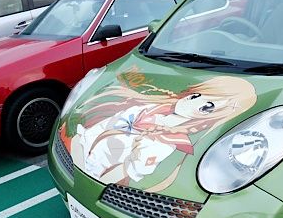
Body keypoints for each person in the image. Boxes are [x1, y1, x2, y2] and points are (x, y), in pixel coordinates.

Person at [63, 75, 257, 191]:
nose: (192, 102)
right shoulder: (148, 109)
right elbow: (94, 131)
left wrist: (86, 179)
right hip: (82, 154)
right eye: (196, 95)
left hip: (93, 175)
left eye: (207, 106)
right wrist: (79, 147)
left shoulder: (165, 143)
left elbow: (115, 177)